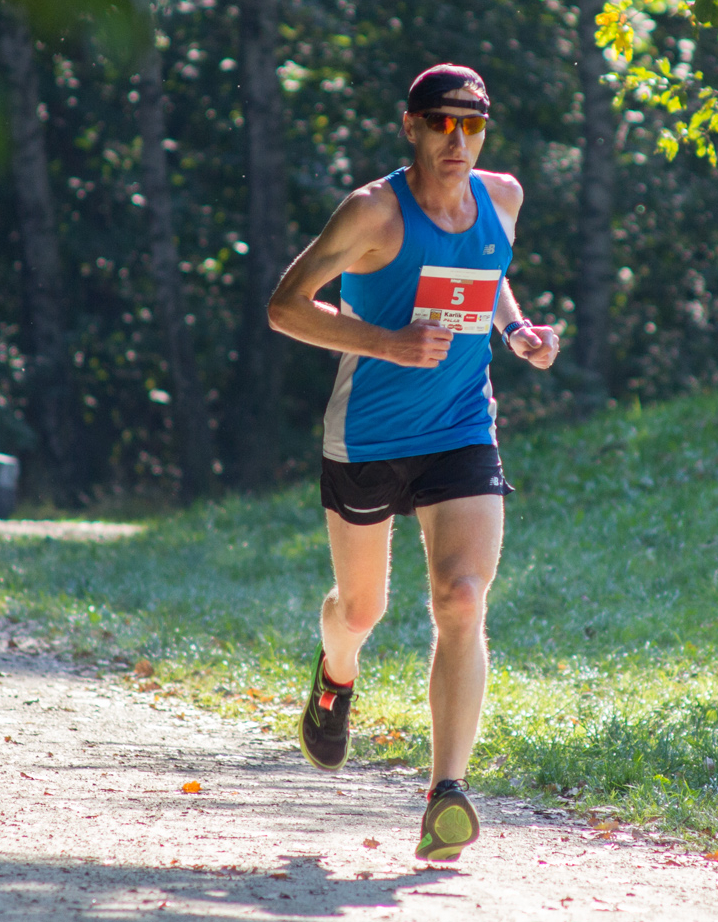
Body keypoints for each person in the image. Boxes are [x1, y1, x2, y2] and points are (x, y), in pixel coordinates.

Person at [267, 63, 559, 862]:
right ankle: (336, 672)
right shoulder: (373, 212)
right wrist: (386, 342)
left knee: (462, 599)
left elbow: (485, 276)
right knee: (361, 610)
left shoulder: (503, 198)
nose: (457, 140)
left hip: (463, 425)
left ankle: (447, 793)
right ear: (411, 126)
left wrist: (518, 330)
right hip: (367, 436)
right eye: (440, 122)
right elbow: (285, 305)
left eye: (472, 124)